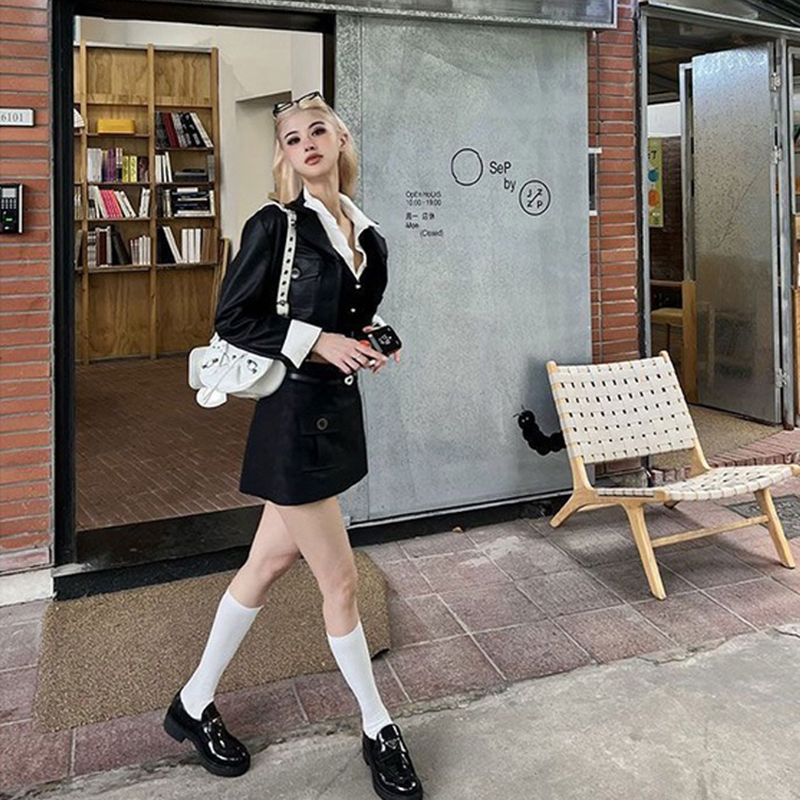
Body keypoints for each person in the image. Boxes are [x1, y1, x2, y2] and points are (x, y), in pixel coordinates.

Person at [163, 91, 423, 800]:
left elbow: (351, 316)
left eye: (317, 131)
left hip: (334, 414)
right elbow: (234, 318)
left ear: (340, 139)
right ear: (283, 155)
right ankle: (378, 728)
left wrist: (372, 339)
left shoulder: (369, 237)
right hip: (290, 420)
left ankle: (192, 704)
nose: (306, 143)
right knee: (341, 582)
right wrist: (318, 341)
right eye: (291, 137)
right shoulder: (274, 225)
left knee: (266, 565)